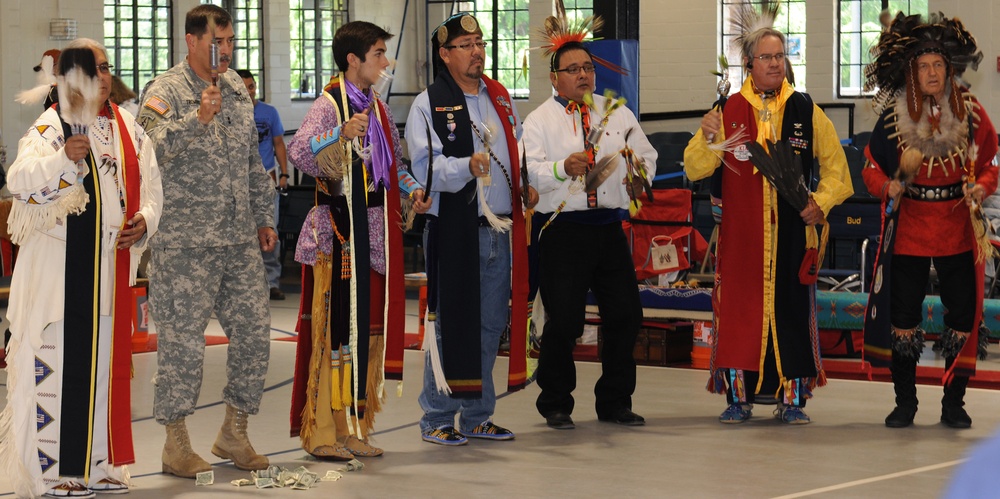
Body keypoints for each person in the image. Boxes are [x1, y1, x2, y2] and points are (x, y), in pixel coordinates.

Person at [0, 39, 162, 497]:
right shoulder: (50, 127)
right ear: (71, 78)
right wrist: (62, 159)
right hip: (60, 276)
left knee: (103, 369)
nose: (104, 76)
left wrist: (144, 220)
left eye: (107, 67)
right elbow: (19, 182)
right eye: (94, 69)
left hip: (111, 271)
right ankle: (56, 472)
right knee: (60, 367)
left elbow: (151, 186)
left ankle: (98, 464)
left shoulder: (127, 127)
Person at [683, 3, 852, 425]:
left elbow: (838, 172)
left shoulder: (805, 109)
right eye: (766, 57)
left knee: (793, 312)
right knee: (740, 312)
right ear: (748, 63)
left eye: (780, 56)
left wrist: (821, 203)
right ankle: (738, 398)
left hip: (794, 235)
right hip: (742, 235)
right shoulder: (727, 112)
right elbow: (693, 168)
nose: (775, 64)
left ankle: (792, 400)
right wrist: (707, 139)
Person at [137, 4, 277, 478]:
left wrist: (264, 215)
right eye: (220, 42)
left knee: (256, 336)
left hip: (238, 240)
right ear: (193, 41)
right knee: (182, 346)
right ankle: (176, 444)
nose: (227, 51)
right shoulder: (165, 90)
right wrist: (196, 119)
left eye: (233, 42)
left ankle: (234, 431)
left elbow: (251, 161)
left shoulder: (237, 86)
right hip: (186, 243)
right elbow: (147, 150)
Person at [286, 20, 430, 460]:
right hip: (340, 232)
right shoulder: (331, 103)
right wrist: (338, 134)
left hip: (375, 230)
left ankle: (353, 426)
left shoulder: (379, 109)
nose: (386, 62)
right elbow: (299, 151)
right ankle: (321, 430)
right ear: (354, 59)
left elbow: (393, 166)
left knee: (365, 328)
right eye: (379, 54)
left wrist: (412, 190)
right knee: (334, 330)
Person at [861, 12, 997, 429]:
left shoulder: (972, 112)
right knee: (903, 316)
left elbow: (991, 162)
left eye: (938, 64)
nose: (932, 72)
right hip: (911, 231)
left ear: (949, 68)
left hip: (957, 225)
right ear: (911, 72)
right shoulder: (891, 119)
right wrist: (889, 187)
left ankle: (953, 401)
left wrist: (981, 188)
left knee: (963, 316)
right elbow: (869, 169)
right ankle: (906, 402)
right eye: (923, 66)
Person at [405, 12, 533, 446]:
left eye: (480, 43)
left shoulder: (499, 97)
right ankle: (437, 416)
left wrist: (524, 187)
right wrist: (467, 165)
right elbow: (426, 170)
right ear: (445, 54)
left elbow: (515, 152)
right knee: (447, 325)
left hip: (499, 229)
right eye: (466, 45)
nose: (478, 51)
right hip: (454, 229)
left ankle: (478, 414)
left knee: (490, 325)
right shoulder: (428, 103)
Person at [522, 17, 656, 429]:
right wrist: (564, 168)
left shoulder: (616, 112)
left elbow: (646, 156)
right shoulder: (539, 121)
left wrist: (639, 176)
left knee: (626, 315)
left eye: (588, 68)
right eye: (573, 69)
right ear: (554, 78)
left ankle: (615, 401)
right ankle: (556, 401)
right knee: (564, 320)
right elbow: (529, 172)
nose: (583, 75)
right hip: (563, 230)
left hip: (609, 228)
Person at [238, 69, 289, 301]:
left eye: (252, 86)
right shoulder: (228, 112)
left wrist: (284, 174)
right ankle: (242, 286)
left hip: (266, 182)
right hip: (238, 184)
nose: (249, 91)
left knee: (270, 233)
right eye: (244, 87)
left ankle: (271, 283)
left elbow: (279, 144)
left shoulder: (269, 113)